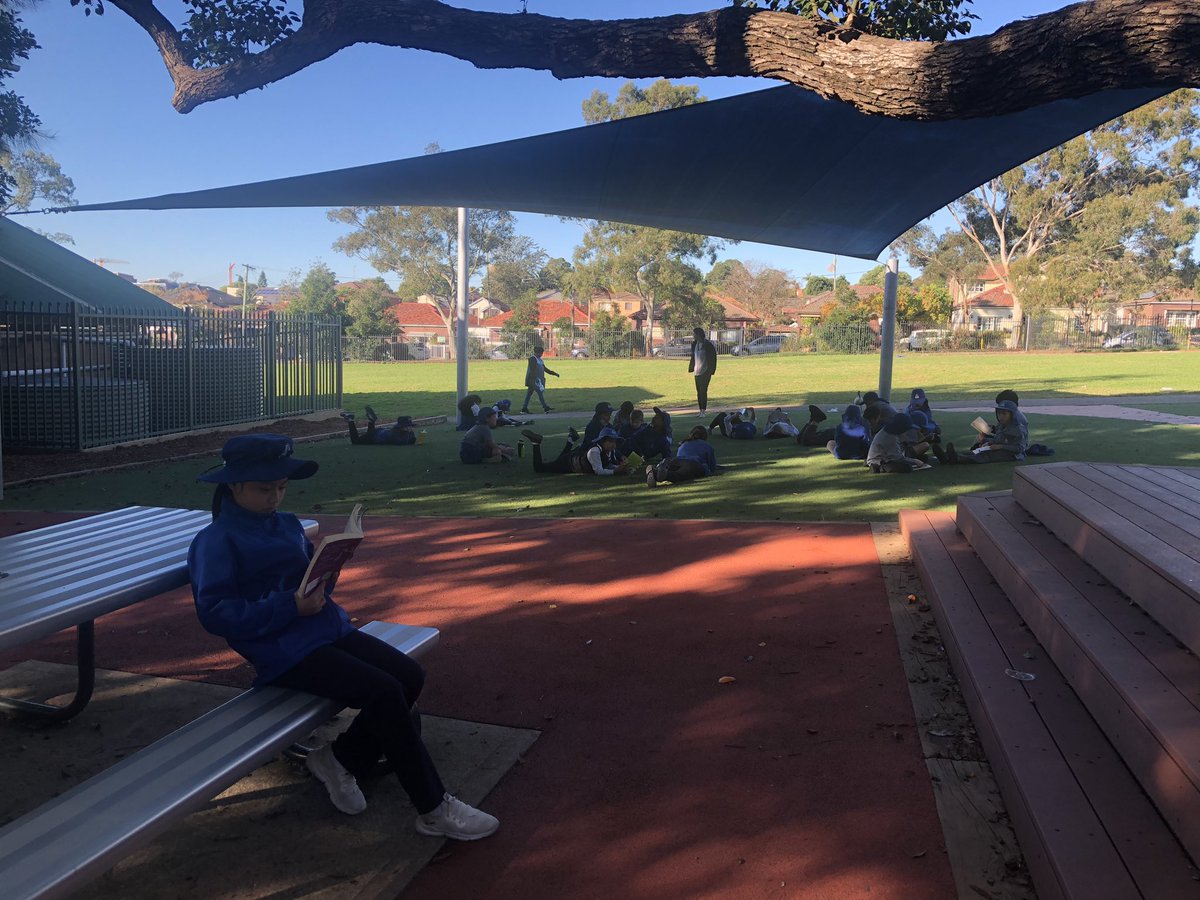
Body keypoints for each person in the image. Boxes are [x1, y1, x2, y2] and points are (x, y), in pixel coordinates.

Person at [188, 434, 499, 840]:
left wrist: (327, 572)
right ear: (234, 486)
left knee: (409, 676)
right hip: (283, 652)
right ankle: (433, 806)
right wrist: (290, 607)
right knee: (385, 692)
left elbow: (307, 582)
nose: (276, 497)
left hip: (325, 628)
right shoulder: (215, 541)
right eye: (265, 489)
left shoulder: (285, 524)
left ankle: (338, 759)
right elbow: (216, 613)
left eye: (282, 487)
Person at [944, 399, 1028, 464]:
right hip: (999, 449)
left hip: (1012, 455)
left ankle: (957, 458)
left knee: (985, 455)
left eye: (1004, 414)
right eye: (999, 413)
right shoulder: (1001, 425)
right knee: (977, 450)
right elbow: (998, 439)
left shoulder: (1018, 429)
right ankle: (948, 456)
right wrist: (988, 442)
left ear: (1012, 415)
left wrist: (1001, 446)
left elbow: (1020, 448)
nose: (1000, 416)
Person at [522, 426, 630, 476]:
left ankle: (571, 439)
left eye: (615, 441)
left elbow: (607, 465)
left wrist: (621, 467)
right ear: (603, 441)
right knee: (540, 468)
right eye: (611, 441)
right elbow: (599, 471)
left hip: (571, 459)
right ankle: (536, 443)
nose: (614, 444)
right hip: (568, 464)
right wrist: (616, 471)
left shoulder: (610, 451)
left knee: (559, 459)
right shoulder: (594, 452)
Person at [646, 426, 716, 488]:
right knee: (681, 475)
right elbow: (712, 466)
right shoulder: (707, 446)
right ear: (705, 436)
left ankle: (656, 472)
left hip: (676, 461)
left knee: (675, 470)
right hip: (693, 463)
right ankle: (665, 475)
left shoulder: (683, 444)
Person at [341, 406, 417, 446]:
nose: (410, 428)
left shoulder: (398, 432)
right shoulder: (397, 436)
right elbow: (403, 442)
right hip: (374, 437)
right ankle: (350, 419)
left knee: (369, 434)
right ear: (402, 427)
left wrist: (411, 436)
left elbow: (410, 440)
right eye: (408, 426)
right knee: (355, 441)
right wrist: (411, 437)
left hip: (377, 433)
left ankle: (371, 421)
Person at [687, 327, 718, 416]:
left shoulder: (707, 345)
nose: (693, 336)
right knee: (698, 391)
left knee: (703, 390)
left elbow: (713, 357)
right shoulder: (694, 344)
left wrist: (711, 370)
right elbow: (693, 357)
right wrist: (691, 367)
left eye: (694, 334)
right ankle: (700, 410)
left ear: (698, 334)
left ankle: (703, 411)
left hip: (705, 371)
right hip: (697, 371)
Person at [521, 345, 559, 414]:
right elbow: (532, 370)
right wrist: (535, 380)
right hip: (534, 381)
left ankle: (524, 408)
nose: (541, 355)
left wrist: (554, 373)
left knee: (529, 394)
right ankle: (545, 408)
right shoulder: (533, 359)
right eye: (541, 353)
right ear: (537, 353)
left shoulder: (540, 360)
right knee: (540, 393)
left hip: (537, 380)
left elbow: (545, 369)